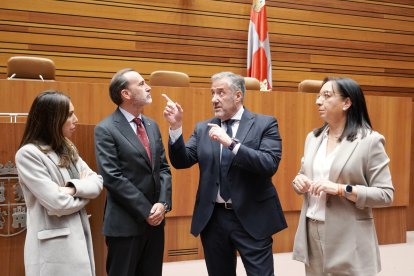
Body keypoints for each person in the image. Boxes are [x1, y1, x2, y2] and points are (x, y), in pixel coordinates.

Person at [162, 71, 287, 276]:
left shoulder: (265, 124)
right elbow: (181, 161)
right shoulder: (203, 128)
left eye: (221, 93)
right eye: (212, 93)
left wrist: (231, 144)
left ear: (238, 95)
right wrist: (175, 128)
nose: (214, 99)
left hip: (252, 215)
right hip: (214, 218)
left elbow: (269, 163)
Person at [291, 77, 394, 275]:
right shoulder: (313, 138)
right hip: (311, 231)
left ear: (347, 103)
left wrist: (341, 189)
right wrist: (299, 181)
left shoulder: (369, 141)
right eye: (318, 95)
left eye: (326, 95)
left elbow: (386, 194)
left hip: (349, 235)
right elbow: (304, 174)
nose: (318, 101)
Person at [15, 90, 103, 276]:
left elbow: (97, 182)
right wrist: (83, 193)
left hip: (77, 240)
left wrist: (72, 189)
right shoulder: (28, 154)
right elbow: (57, 202)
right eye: (69, 114)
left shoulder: (67, 148)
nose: (76, 119)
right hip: (54, 250)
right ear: (52, 119)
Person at [94, 68, 172, 276]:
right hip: (125, 225)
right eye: (140, 83)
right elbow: (112, 177)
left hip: (155, 224)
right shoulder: (106, 129)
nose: (148, 87)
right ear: (125, 94)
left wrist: (162, 205)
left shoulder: (152, 126)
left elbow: (163, 168)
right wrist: (146, 210)